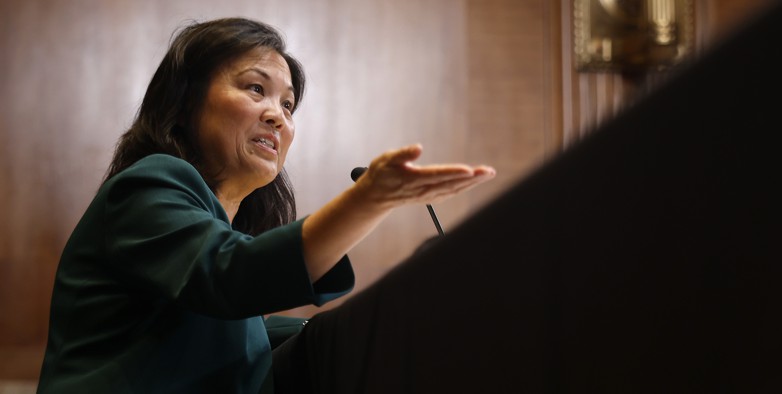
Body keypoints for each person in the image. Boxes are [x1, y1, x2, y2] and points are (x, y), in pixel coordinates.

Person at [36, 17, 495, 393]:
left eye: (289, 104)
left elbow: (284, 340)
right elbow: (232, 275)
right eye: (256, 89)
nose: (278, 115)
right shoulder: (147, 186)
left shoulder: (230, 274)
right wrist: (371, 199)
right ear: (184, 103)